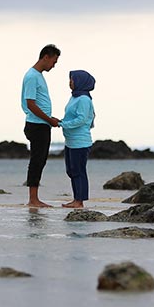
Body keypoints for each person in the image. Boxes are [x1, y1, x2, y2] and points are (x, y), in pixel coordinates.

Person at [21, 44, 61, 207]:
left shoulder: (38, 75)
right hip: (37, 125)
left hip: (42, 123)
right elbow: (30, 104)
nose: (54, 65)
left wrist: (50, 118)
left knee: (40, 160)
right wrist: (48, 120)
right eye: (54, 61)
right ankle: (33, 199)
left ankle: (34, 198)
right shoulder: (32, 76)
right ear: (46, 57)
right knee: (37, 160)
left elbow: (39, 103)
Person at [59, 70, 96, 208]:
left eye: (72, 79)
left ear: (80, 81)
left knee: (79, 171)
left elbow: (81, 119)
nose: (70, 82)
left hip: (80, 142)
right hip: (70, 141)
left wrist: (62, 124)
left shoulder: (84, 99)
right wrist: (62, 121)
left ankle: (79, 201)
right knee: (71, 171)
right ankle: (76, 199)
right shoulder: (74, 97)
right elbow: (70, 116)